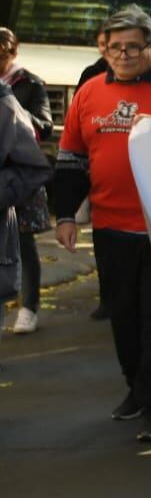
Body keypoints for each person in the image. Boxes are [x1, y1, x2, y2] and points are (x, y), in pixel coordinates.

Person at [53, 8, 151, 442]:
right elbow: (70, 159)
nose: (123, 55)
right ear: (104, 49)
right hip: (109, 227)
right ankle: (136, 390)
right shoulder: (88, 94)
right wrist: (66, 215)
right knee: (123, 318)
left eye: (132, 46)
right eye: (114, 47)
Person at [0, 28, 52, 335]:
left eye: (3, 54)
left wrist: (17, 117)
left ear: (13, 54)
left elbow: (44, 124)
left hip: (15, 178)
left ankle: (28, 306)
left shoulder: (28, 84)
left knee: (21, 244)